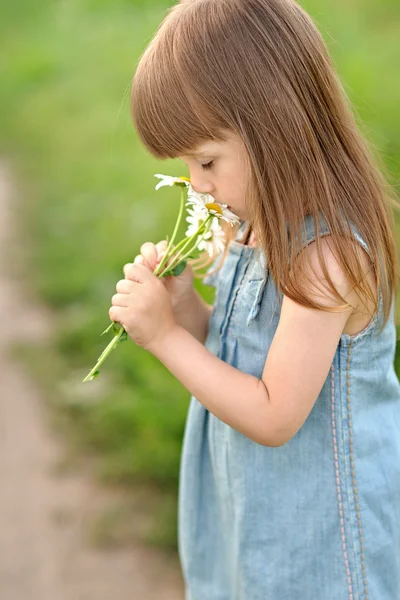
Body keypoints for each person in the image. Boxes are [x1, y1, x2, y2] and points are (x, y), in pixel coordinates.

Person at [109, 0, 400, 598]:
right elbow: (240, 352)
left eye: (206, 160)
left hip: (321, 541)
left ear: (275, 127)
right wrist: (185, 309)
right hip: (258, 516)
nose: (199, 185)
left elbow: (273, 414)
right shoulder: (254, 227)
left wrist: (163, 338)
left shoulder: (328, 258)